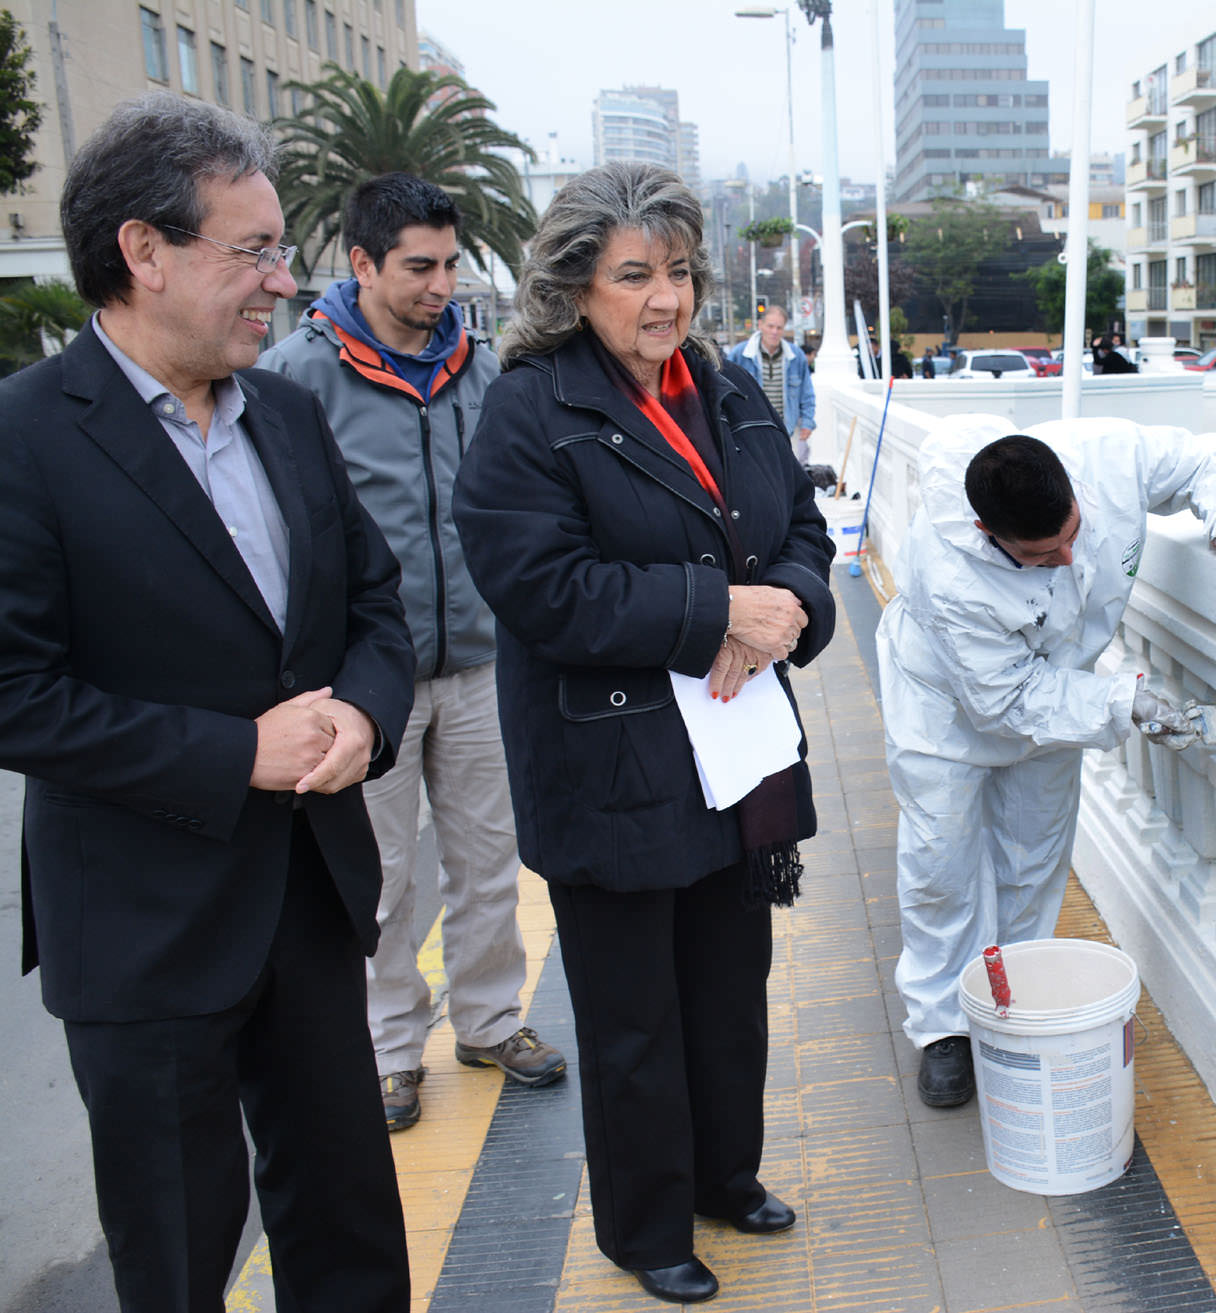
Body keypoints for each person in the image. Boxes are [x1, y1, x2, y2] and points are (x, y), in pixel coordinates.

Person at [0, 95, 416, 1310]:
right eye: (254, 251)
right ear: (143, 250)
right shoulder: (25, 439)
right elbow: (15, 694)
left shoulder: (284, 412)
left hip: (306, 895)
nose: (281, 284)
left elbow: (375, 608)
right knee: (177, 1252)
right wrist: (232, 752)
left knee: (347, 1224)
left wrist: (367, 717)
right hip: (141, 921)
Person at [452, 161, 835, 1307]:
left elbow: (802, 528)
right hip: (610, 762)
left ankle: (724, 1173)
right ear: (574, 286)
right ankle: (645, 1222)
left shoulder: (723, 388)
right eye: (633, 274)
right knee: (632, 1015)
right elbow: (538, 584)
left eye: (676, 270)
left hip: (735, 748)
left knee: (729, 986)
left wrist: (788, 609)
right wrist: (711, 609)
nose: (662, 298)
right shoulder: (532, 407)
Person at [876, 416, 1216, 1108]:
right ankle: (942, 1026)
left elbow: (1208, 455)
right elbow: (1007, 701)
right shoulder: (946, 570)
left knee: (1032, 852)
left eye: (1071, 534)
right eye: (1040, 554)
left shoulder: (1109, 455)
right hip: (945, 708)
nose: (1065, 557)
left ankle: (1010, 1002)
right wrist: (1127, 703)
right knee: (943, 863)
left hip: (1061, 688)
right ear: (983, 530)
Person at [261, 173, 566, 1133]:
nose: (441, 285)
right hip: (367, 675)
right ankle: (391, 1049)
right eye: (418, 267)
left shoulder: (480, 368)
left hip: (481, 657)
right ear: (361, 263)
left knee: (487, 855)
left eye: (449, 264)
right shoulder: (297, 377)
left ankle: (488, 1021)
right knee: (385, 871)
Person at [726, 304, 815, 464]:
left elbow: (806, 393)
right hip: (750, 431)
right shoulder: (740, 354)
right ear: (760, 325)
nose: (774, 332)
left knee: (788, 479)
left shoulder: (796, 356)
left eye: (779, 328)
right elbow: (725, 392)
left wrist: (807, 423)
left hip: (787, 430)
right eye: (770, 326)